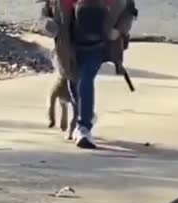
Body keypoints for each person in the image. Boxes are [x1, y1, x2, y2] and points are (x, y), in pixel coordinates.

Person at [41, 0, 138, 149]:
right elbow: (46, 14)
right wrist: (49, 25)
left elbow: (128, 10)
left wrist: (119, 30)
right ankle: (83, 115)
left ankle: (84, 127)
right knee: (73, 83)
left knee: (85, 79)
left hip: (97, 48)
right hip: (69, 48)